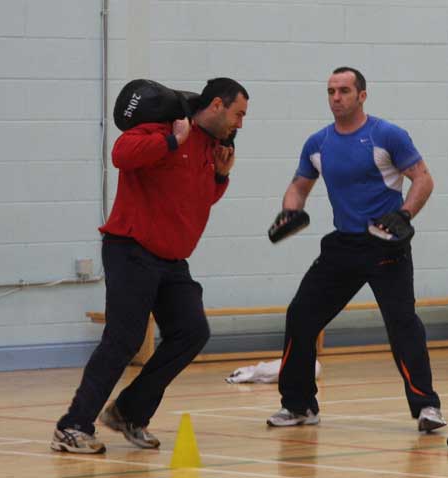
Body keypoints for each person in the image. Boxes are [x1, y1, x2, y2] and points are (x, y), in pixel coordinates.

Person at [51, 77, 249, 454]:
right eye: (238, 114)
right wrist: (172, 140)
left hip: (172, 261)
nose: (240, 124)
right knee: (123, 339)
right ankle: (72, 425)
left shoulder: (212, 147)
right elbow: (122, 155)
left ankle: (128, 412)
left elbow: (200, 199)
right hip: (132, 249)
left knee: (192, 332)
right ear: (218, 105)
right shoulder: (166, 126)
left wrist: (221, 175)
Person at [266, 67, 446, 432]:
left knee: (402, 324)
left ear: (362, 95)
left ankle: (427, 407)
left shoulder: (387, 135)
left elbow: (423, 178)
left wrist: (404, 214)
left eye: (344, 90)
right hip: (342, 247)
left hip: (385, 244)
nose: (336, 97)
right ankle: (300, 406)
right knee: (300, 317)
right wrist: (291, 209)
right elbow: (299, 185)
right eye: (331, 91)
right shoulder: (317, 143)